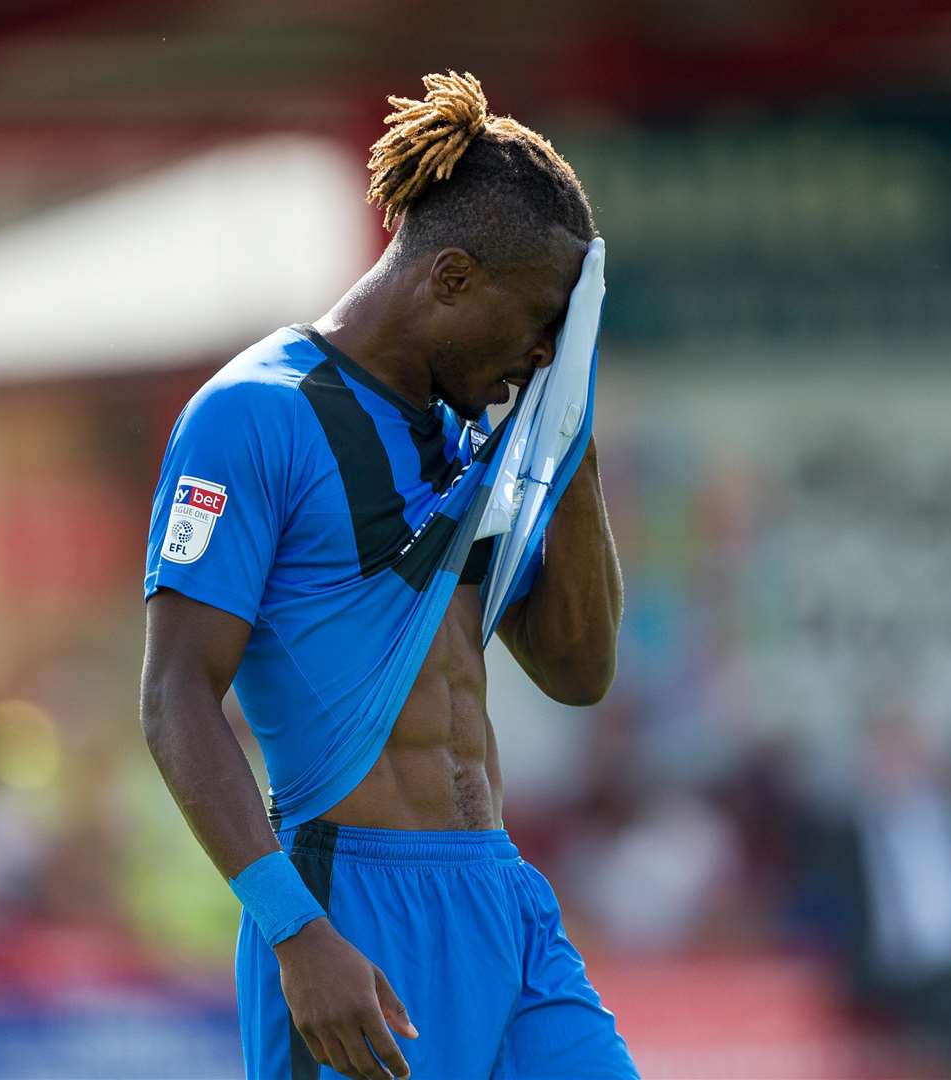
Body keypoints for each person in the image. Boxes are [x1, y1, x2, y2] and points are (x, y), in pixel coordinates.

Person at [139, 71, 634, 1079]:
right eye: (539, 323)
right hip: (353, 911)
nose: (541, 355)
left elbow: (579, 674)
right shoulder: (253, 416)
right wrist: (295, 931)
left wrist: (569, 432)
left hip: (500, 896)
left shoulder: (469, 433)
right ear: (451, 279)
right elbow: (175, 693)